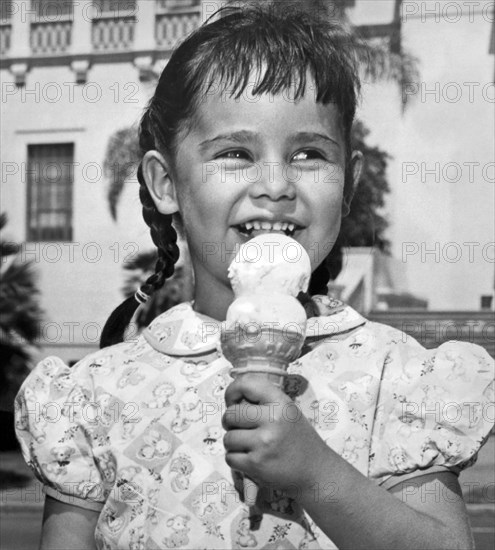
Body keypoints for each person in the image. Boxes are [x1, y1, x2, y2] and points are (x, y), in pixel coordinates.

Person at [15, 5, 494, 550]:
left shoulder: (396, 378)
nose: (275, 185)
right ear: (164, 183)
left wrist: (318, 475)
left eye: (308, 153)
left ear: (349, 181)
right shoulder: (94, 395)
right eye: (236, 153)